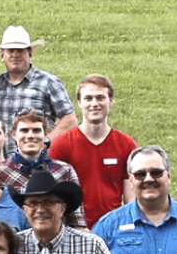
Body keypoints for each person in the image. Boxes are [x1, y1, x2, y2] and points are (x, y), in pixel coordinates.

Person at [50, 75, 136, 226]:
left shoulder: (126, 145)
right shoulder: (61, 145)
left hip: (114, 226)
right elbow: (54, 194)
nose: (94, 104)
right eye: (88, 98)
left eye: (100, 98)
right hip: (76, 228)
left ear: (110, 101)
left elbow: (131, 197)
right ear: (79, 103)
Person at [0, 26, 76, 139]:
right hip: (1, 150)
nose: (15, 55)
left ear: (29, 53)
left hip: (37, 150)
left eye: (20, 50)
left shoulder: (49, 83)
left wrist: (46, 142)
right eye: (10, 50)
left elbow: (70, 120)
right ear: (2, 55)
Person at [0, 111, 83, 225]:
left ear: (45, 135)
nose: (30, 136)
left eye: (36, 130)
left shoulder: (64, 170)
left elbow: (77, 221)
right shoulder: (0, 172)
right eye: (24, 130)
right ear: (14, 135)